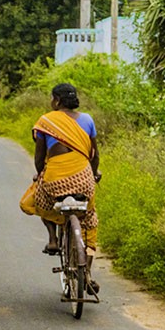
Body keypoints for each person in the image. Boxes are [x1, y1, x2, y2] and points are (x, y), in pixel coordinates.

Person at [32, 83, 101, 292]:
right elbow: (94, 155)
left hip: (55, 179)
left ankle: (53, 239)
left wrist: (40, 173)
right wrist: (94, 173)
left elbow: (39, 157)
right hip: (83, 178)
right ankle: (86, 273)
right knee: (89, 218)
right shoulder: (87, 120)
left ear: (57, 100)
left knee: (41, 201)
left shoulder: (46, 121)